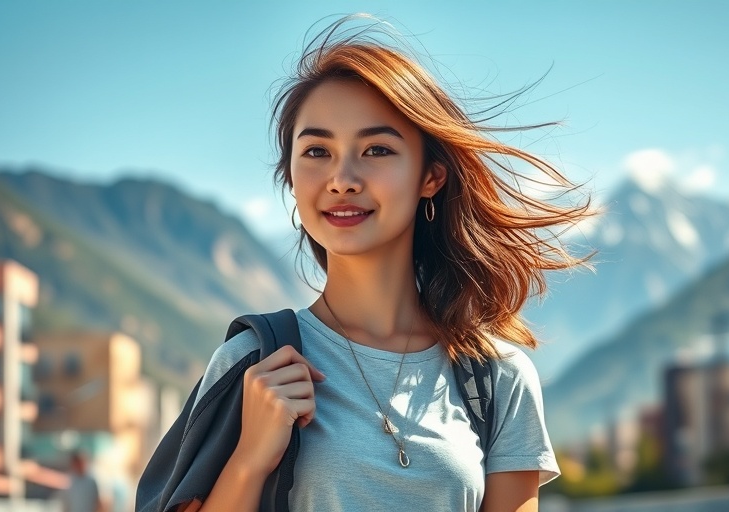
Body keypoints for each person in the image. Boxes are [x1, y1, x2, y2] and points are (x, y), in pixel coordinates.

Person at [151, 14, 591, 512]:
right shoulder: (253, 362)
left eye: (376, 149)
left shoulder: (498, 379)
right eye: (317, 150)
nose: (342, 178)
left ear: (431, 177)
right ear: (291, 179)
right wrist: (250, 459)